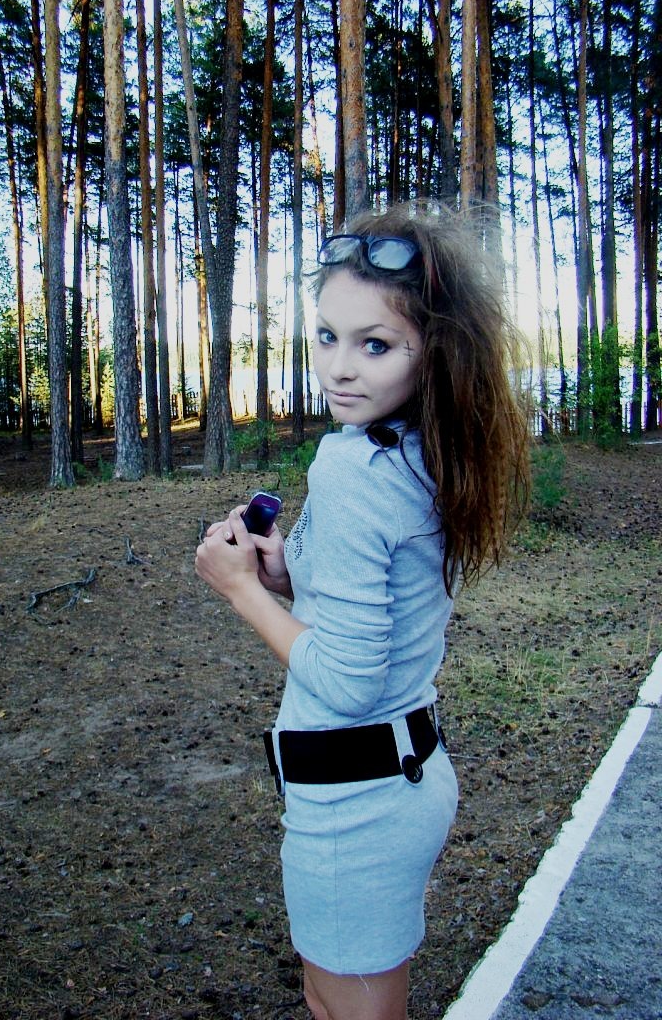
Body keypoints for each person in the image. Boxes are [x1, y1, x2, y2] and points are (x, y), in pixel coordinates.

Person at [195, 202, 530, 1020]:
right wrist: (290, 577)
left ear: (433, 350)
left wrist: (240, 590)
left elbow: (347, 683)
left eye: (374, 344)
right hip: (399, 778)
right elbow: (386, 591)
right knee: (330, 997)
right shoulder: (424, 448)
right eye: (326, 336)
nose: (339, 368)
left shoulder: (354, 470)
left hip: (358, 805)